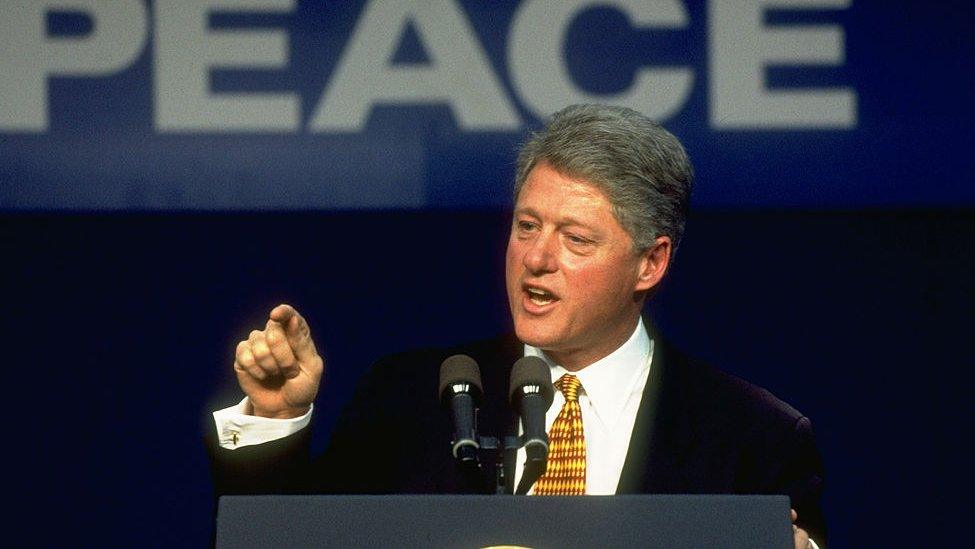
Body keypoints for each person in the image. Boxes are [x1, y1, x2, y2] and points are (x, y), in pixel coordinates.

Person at [208, 104, 825, 548]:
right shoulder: (410, 397)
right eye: (527, 226)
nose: (536, 258)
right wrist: (275, 420)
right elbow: (282, 541)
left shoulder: (754, 440)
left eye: (575, 239)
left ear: (650, 262)